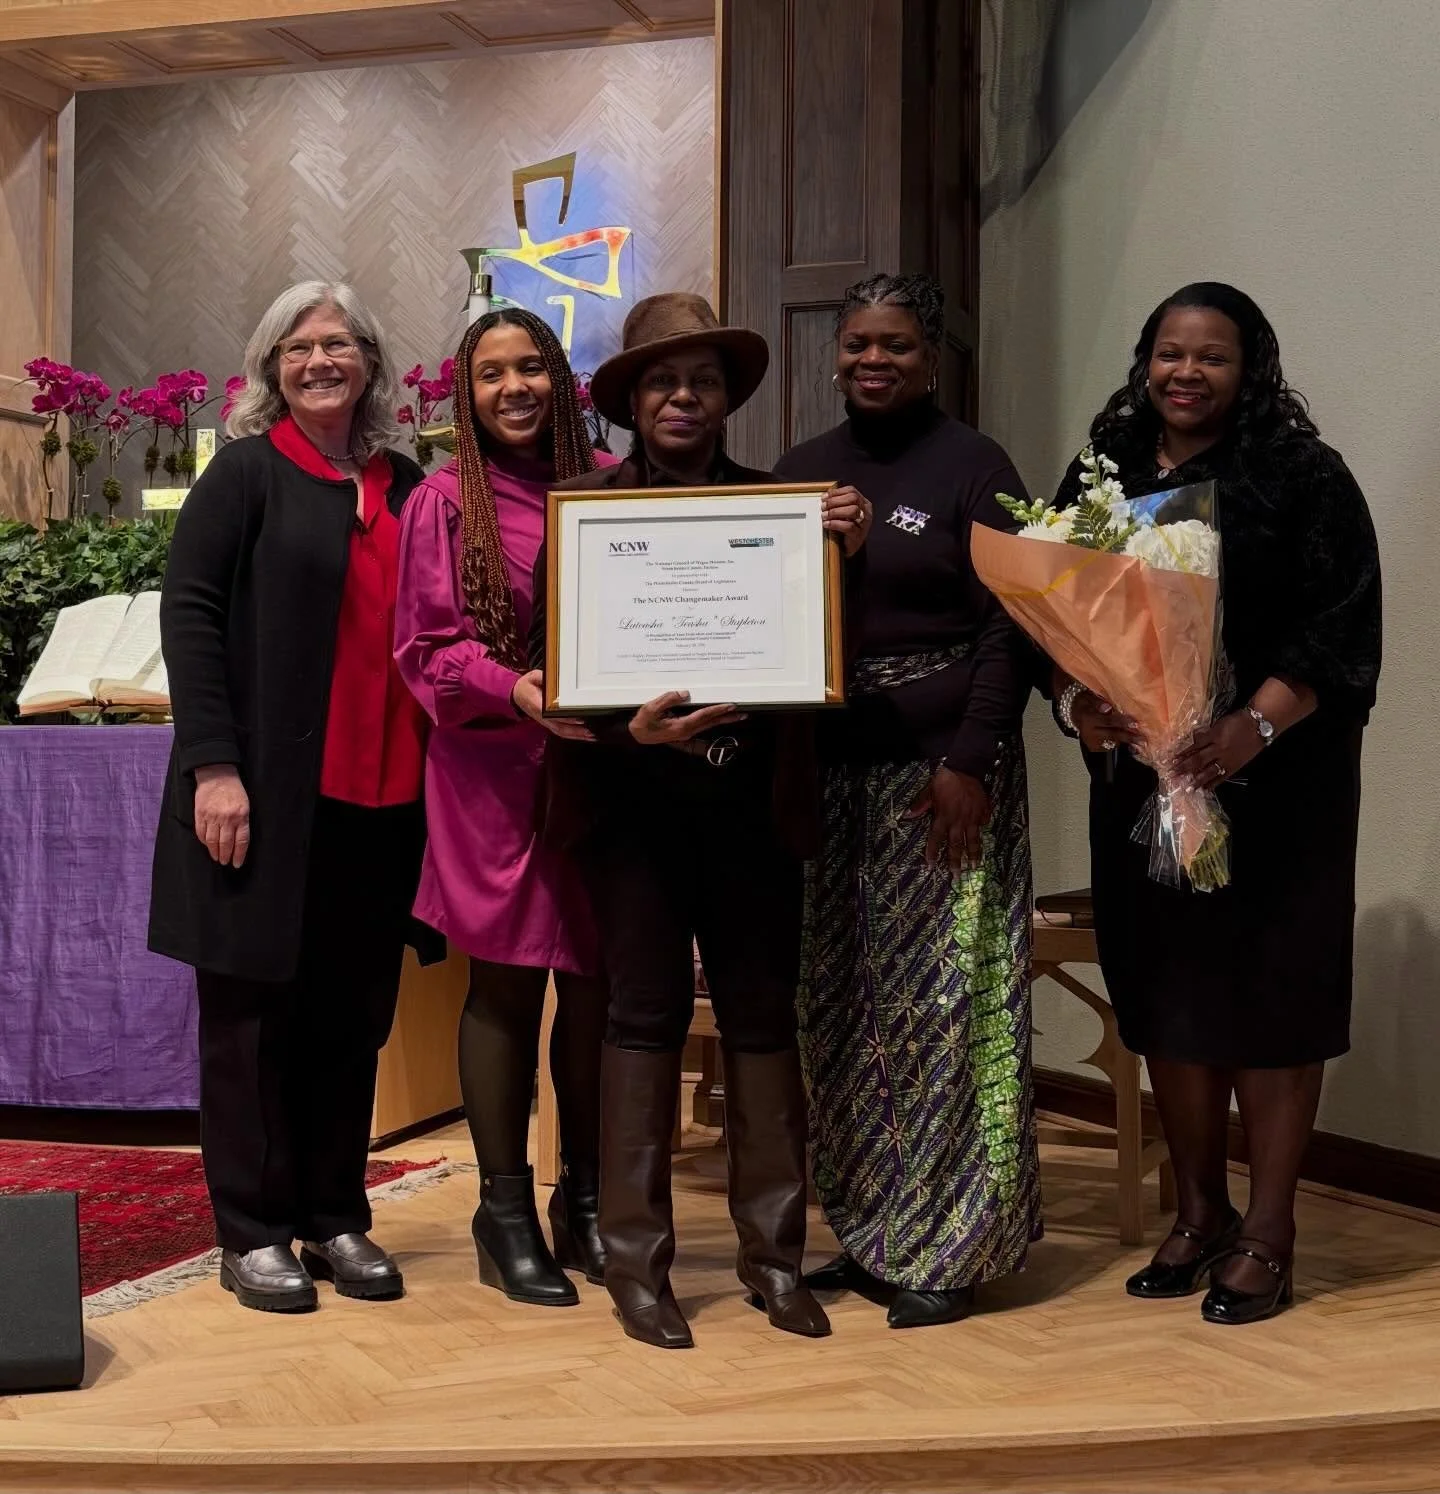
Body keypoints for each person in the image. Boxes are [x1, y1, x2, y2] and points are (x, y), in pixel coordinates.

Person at [531, 293, 871, 1348]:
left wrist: (843, 558)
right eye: (664, 381)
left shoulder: (787, 510)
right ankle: (638, 1268)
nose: (684, 397)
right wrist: (625, 726)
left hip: (754, 807)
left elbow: (826, 645)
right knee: (643, 1016)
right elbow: (556, 672)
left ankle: (774, 1260)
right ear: (632, 400)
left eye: (705, 381)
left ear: (728, 399)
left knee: (763, 1018)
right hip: (632, 813)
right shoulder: (582, 513)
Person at [1050, 282, 1382, 1324]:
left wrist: (1251, 729)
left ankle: (1270, 1232)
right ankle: (1198, 1213)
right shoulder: (1105, 472)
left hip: (1279, 789)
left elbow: (1342, 628)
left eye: (1212, 357)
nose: (1186, 373)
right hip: (1145, 780)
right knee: (1170, 992)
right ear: (1144, 361)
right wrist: (1079, 707)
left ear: (1252, 370)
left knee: (1272, 998)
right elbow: (1054, 619)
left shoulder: (1303, 475)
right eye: (1170, 353)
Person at [149, 282, 433, 1312]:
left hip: (383, 799)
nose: (321, 360)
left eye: (340, 343)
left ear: (370, 363)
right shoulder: (245, 474)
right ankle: (253, 1230)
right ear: (272, 367)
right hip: (264, 800)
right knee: (252, 1022)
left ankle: (334, 1213)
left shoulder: (407, 481)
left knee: (351, 1019)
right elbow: (189, 615)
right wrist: (213, 768)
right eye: (299, 347)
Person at [773, 272, 1043, 1330]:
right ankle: (874, 1231)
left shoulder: (976, 466)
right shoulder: (801, 470)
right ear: (834, 355)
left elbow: (1015, 625)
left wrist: (971, 758)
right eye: (857, 344)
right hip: (830, 775)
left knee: (945, 1009)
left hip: (942, 779)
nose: (872, 361)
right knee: (844, 1010)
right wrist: (825, 551)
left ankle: (953, 1246)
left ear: (932, 359)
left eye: (894, 345)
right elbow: (775, 616)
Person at [394, 308, 615, 1306]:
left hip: (603, 772)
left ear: (561, 379)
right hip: (492, 776)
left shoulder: (610, 485)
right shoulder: (444, 502)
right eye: (491, 374)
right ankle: (505, 1212)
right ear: (466, 394)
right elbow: (427, 652)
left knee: (598, 987)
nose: (514, 387)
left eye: (531, 367)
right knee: (509, 986)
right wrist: (513, 688)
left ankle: (589, 1200)